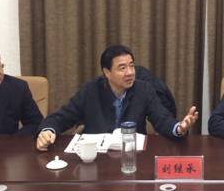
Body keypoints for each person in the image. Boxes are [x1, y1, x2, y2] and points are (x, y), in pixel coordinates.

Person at [36, 45, 198, 151]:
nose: (130, 72)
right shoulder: (91, 90)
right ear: (107, 72)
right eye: (122, 68)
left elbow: (162, 119)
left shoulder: (143, 90)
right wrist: (47, 131)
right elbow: (62, 117)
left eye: (131, 65)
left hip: (132, 157)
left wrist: (179, 128)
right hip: (97, 159)